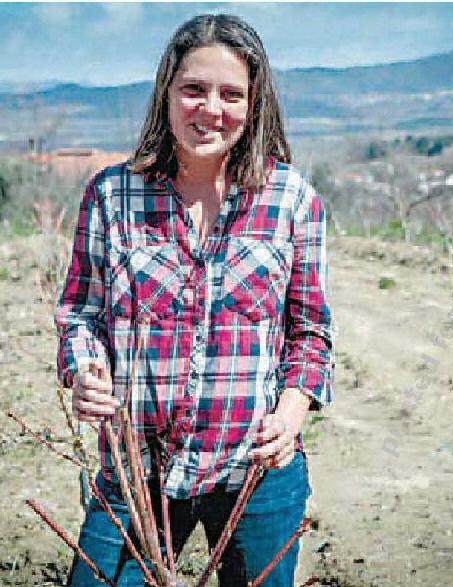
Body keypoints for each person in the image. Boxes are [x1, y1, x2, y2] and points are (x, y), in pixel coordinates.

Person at [55, 13, 335, 587]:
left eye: (231, 94)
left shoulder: (292, 200)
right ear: (167, 94)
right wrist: (84, 368)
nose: (211, 109)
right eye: (194, 90)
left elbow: (311, 332)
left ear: (253, 105)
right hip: (138, 471)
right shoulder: (112, 196)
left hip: (255, 473)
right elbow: (80, 314)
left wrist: (292, 410)